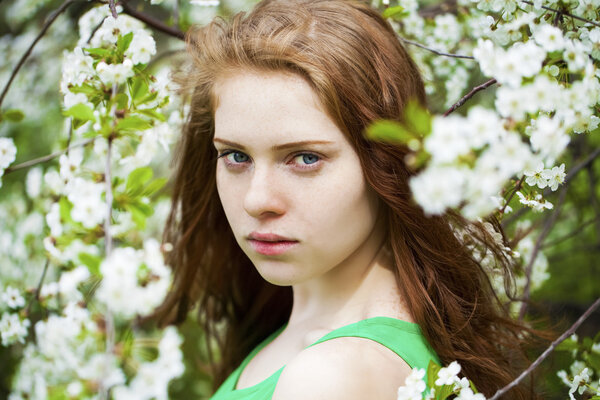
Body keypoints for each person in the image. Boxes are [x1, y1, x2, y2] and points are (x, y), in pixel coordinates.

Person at [155, 0, 537, 399]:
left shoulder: (330, 377)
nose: (257, 199)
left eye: (305, 158)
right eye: (236, 156)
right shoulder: (317, 344)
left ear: (387, 163)